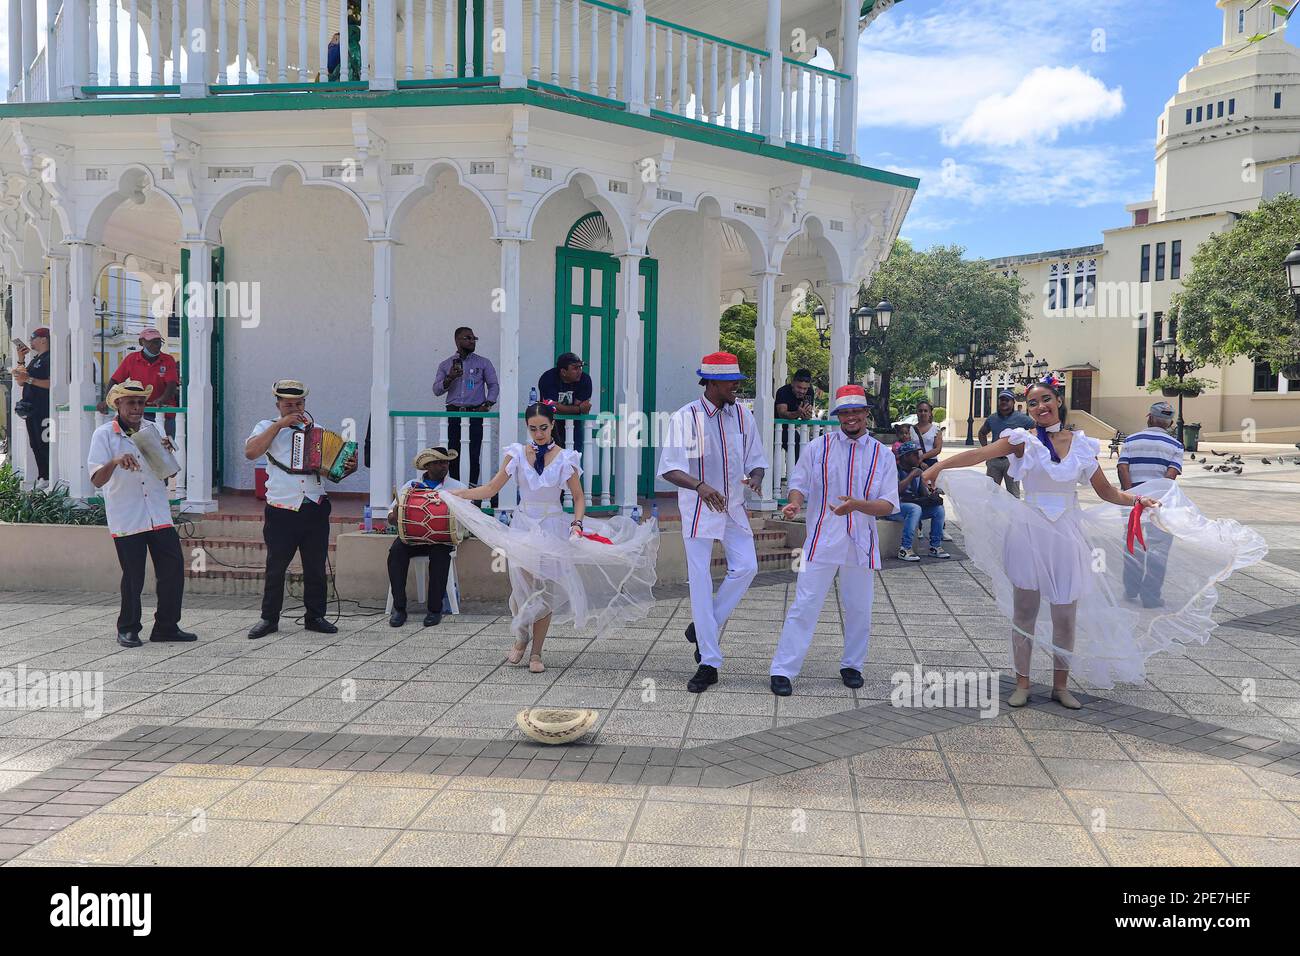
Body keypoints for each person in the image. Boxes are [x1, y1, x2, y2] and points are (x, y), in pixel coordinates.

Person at [921, 379, 1265, 701]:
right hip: (1028, 531)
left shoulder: (1082, 445)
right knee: (1024, 611)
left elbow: (1107, 491)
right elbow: (977, 456)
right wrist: (936, 468)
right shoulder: (1021, 440)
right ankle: (1022, 682)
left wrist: (1136, 500)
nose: (1040, 406)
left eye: (1046, 399)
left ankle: (1060, 685)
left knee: (1064, 615)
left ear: (1059, 402)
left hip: (1067, 533)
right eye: (1033, 402)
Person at [442, 401, 659, 672]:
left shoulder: (566, 458)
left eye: (543, 428)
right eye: (533, 429)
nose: (539, 434)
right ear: (527, 428)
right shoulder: (517, 455)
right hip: (523, 526)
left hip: (552, 525)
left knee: (546, 588)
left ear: (552, 425)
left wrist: (577, 524)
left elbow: (578, 497)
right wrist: (458, 495)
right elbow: (490, 489)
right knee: (522, 587)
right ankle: (521, 634)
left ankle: (536, 653)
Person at [769, 385, 899, 696]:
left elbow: (888, 504)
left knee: (859, 607)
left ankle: (852, 665)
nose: (850, 417)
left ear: (866, 414)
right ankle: (783, 669)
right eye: (844, 412)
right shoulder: (818, 448)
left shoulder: (882, 455)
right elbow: (798, 483)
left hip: (860, 542)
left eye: (856, 411)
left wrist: (856, 505)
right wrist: (795, 503)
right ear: (837, 416)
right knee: (805, 604)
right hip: (820, 541)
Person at [658, 351, 770, 694]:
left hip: (734, 506)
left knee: (747, 567)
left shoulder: (742, 416)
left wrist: (756, 477)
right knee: (701, 580)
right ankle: (709, 662)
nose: (737, 387)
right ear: (713, 383)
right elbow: (670, 468)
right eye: (732, 382)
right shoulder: (685, 418)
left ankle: (705, 625)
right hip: (699, 508)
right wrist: (701, 486)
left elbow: (757, 460)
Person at [244, 380, 357, 640]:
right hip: (282, 508)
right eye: (288, 405)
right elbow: (251, 452)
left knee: (315, 566)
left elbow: (333, 470)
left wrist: (347, 466)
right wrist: (279, 425)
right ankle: (269, 618)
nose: (294, 409)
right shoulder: (265, 427)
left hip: (314, 506)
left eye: (298, 404)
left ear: (305, 404)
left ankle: (315, 616)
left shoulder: (317, 430)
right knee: (276, 566)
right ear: (278, 405)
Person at [88, 380, 195, 648]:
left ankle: (167, 626)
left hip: (158, 513)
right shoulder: (103, 434)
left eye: (140, 402)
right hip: (127, 515)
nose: (137, 408)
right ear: (118, 404)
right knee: (133, 576)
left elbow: (169, 473)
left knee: (172, 571)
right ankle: (128, 628)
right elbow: (97, 481)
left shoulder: (153, 429)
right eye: (131, 402)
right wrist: (114, 461)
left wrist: (165, 453)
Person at [387, 446, 465, 628]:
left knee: (440, 555)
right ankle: (399, 609)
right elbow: (391, 518)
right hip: (413, 538)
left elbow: (466, 518)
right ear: (427, 466)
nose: (443, 466)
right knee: (396, 552)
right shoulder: (410, 486)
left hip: (441, 538)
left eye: (445, 462)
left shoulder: (458, 487)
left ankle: (434, 610)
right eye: (438, 463)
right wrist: (396, 513)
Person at [1117, 401, 1184, 608]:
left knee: (1132, 545)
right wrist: (1154, 499)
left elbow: (1122, 467)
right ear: (1170, 422)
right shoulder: (1175, 445)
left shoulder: (1131, 440)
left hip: (1133, 502)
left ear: (1149, 417)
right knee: (1158, 549)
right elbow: (1170, 476)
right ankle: (1151, 596)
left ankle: (1131, 588)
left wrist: (1133, 496)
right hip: (1159, 505)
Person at [433, 327, 499, 485]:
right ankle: (455, 488)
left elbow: (494, 385)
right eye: (467, 338)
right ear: (457, 340)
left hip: (475, 413)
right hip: (454, 413)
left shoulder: (483, 363)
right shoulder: (446, 364)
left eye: (473, 338)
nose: (472, 341)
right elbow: (436, 390)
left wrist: (488, 404)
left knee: (473, 453)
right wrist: (450, 377)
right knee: (453, 452)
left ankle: (472, 489)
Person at [99, 328, 181, 440]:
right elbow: (115, 380)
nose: (157, 345)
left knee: (165, 449)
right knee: (138, 447)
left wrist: (161, 400)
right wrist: (106, 399)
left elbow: (172, 384)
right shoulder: (132, 359)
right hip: (139, 412)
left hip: (165, 413)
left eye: (158, 342)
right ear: (142, 342)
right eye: (152, 342)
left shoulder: (168, 360)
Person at [879, 441, 949, 561]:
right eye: (915, 454)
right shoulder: (893, 470)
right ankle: (905, 548)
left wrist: (932, 495)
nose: (919, 457)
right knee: (914, 509)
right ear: (905, 457)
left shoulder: (917, 472)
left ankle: (935, 546)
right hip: (891, 509)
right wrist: (911, 476)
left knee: (938, 509)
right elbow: (894, 491)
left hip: (910, 509)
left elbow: (922, 494)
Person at [11, 326, 51, 488]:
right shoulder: (35, 359)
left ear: (43, 339)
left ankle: (49, 475)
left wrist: (29, 380)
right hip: (31, 409)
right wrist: (21, 360)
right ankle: (43, 475)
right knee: (35, 443)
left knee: (45, 442)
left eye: (33, 337)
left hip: (44, 408)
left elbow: (51, 383)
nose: (30, 341)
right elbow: (20, 381)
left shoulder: (50, 358)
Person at [978, 389, 1034, 498]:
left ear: (1013, 402)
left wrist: (1026, 450)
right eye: (1001, 399)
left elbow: (1035, 429)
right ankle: (993, 514)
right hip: (994, 460)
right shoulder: (992, 418)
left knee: (1013, 494)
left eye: (1007, 400)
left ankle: (1013, 515)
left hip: (1012, 462)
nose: (1004, 402)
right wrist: (986, 450)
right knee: (991, 493)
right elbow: (982, 433)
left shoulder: (1022, 418)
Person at [537, 352, 593, 454]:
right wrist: (578, 409)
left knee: (574, 459)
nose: (580, 371)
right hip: (550, 425)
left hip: (574, 425)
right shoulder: (548, 378)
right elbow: (551, 407)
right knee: (550, 460)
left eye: (580, 367)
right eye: (575, 368)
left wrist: (561, 407)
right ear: (563, 372)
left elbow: (584, 406)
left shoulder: (585, 380)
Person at [775, 369, 816, 459]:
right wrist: (798, 413)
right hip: (775, 429)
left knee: (802, 452)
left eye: (805, 388)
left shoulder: (810, 392)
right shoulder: (783, 391)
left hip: (791, 429)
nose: (802, 391)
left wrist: (806, 415)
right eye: (799, 387)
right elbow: (782, 414)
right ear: (792, 383)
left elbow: (807, 414)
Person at [914, 400, 943, 468]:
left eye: (925, 411)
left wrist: (923, 457)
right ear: (917, 413)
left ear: (930, 413)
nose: (923, 413)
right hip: (914, 463)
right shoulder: (910, 430)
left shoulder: (936, 430)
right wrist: (919, 462)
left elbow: (937, 449)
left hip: (931, 463)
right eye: (920, 411)